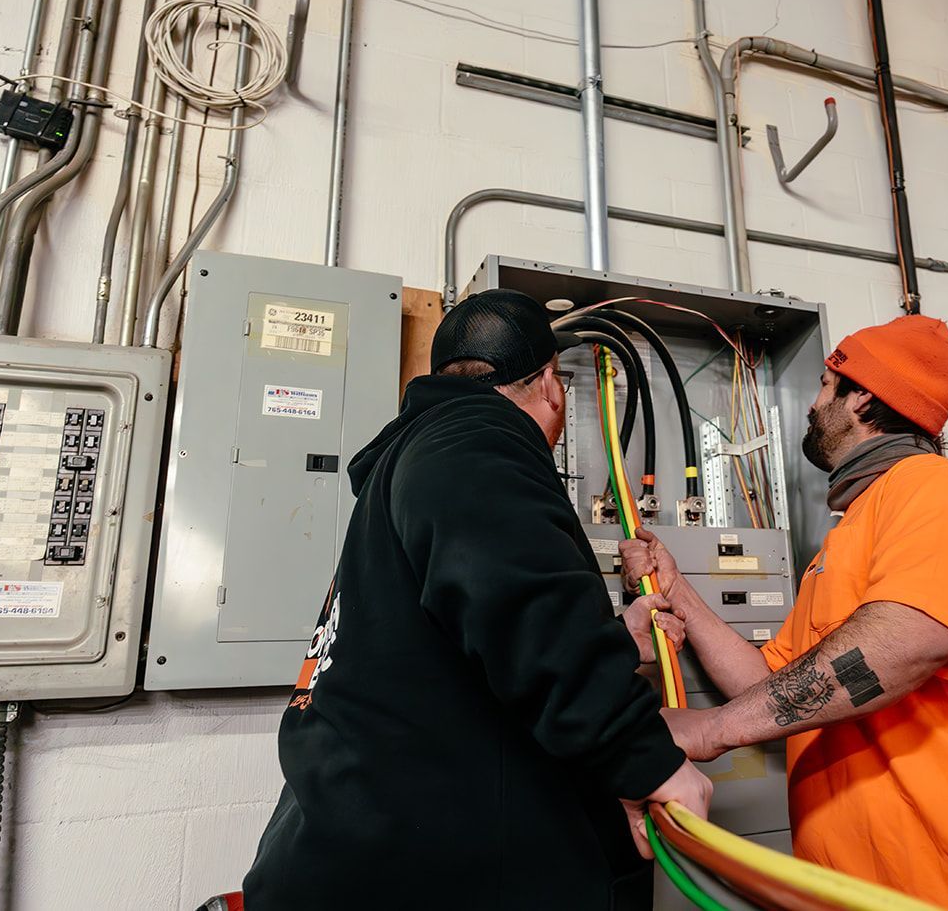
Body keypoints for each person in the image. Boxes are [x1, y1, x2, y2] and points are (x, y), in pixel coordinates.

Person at [244, 288, 712, 910]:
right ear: (551, 385)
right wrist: (644, 761)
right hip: (421, 873)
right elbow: (522, 605)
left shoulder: (421, 456)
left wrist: (610, 639)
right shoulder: (478, 438)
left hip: (363, 850)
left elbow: (470, 625)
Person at [621, 315, 948, 910]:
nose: (812, 404)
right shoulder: (847, 540)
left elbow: (904, 642)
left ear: (864, 397)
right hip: (863, 889)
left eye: (826, 386)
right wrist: (681, 593)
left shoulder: (937, 491)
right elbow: (770, 685)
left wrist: (713, 728)